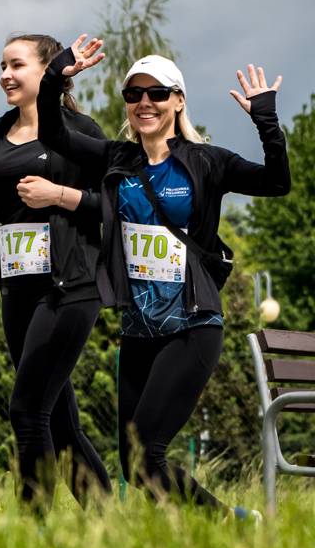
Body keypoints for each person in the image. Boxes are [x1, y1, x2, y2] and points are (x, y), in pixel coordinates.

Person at [42, 36, 288, 516]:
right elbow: (53, 132)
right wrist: (57, 75)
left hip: (192, 326)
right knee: (134, 462)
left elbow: (277, 182)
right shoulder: (117, 158)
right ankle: (213, 527)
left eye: (156, 93)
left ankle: (233, 523)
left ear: (178, 101)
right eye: (134, 94)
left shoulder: (206, 161)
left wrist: (266, 120)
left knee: (148, 452)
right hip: (137, 331)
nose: (144, 103)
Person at [0, 33, 112, 510]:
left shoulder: (82, 131)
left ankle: (34, 534)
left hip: (70, 286)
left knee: (27, 410)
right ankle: (108, 523)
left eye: (16, 65)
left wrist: (59, 196)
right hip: (17, 289)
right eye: (1, 65)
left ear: (48, 71)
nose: (5, 75)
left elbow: (113, 208)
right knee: (58, 421)